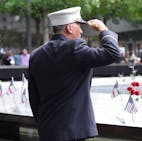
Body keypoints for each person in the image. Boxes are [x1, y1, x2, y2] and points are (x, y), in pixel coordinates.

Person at [28, 6, 120, 141]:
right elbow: (112, 53)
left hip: (47, 129)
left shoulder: (36, 54)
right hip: (73, 132)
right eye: (79, 26)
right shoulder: (74, 48)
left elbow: (33, 96)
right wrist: (104, 30)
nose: (81, 31)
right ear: (69, 28)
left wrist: (43, 123)